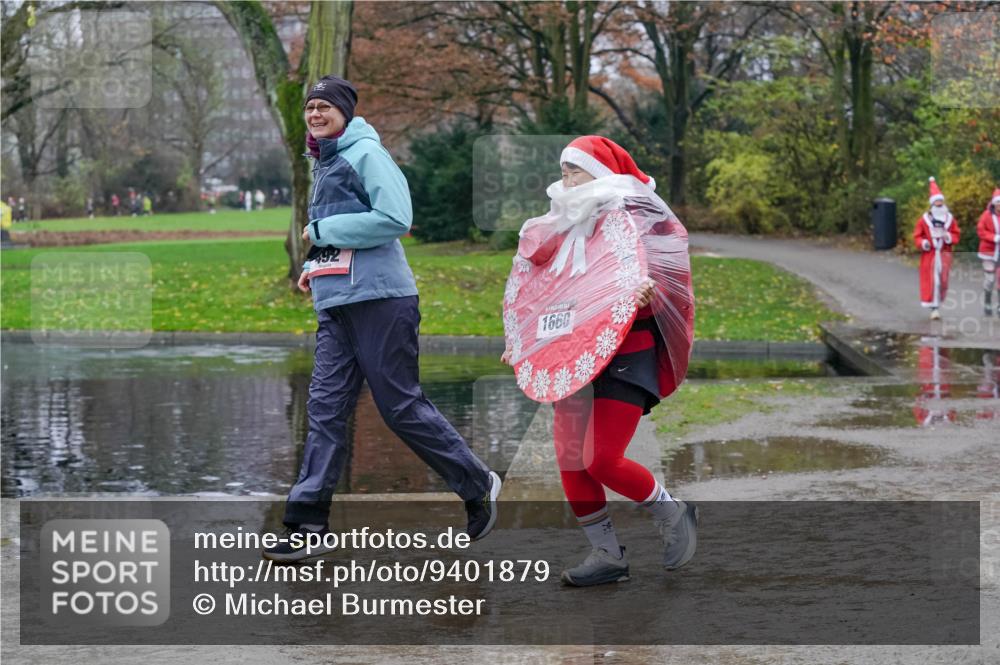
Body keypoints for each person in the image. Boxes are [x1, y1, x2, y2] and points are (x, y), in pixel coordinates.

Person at [262, 75, 500, 562]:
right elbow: (339, 238)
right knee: (324, 412)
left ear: (346, 112)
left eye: (325, 106)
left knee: (399, 407)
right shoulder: (323, 162)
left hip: (382, 301)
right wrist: (314, 268)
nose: (315, 114)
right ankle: (307, 524)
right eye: (310, 107)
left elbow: (395, 217)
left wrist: (320, 229)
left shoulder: (365, 153)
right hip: (338, 305)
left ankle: (477, 484)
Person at [502, 136, 697, 587]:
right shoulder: (559, 226)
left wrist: (645, 296)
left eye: (575, 169)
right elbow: (540, 291)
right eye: (564, 169)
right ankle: (607, 553)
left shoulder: (639, 219)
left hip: (628, 351)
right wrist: (523, 340)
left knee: (601, 459)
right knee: (572, 461)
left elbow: (669, 284)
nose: (565, 177)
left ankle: (673, 512)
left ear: (601, 173)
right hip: (573, 355)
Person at [913, 177, 960, 321]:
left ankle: (938, 302)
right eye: (937, 204)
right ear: (932, 204)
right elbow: (917, 236)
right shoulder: (924, 220)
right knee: (933, 280)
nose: (939, 206)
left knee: (943, 281)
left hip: (944, 254)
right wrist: (924, 243)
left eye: (941, 204)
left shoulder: (950, 219)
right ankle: (934, 308)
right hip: (931, 255)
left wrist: (948, 237)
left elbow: (956, 234)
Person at [976, 188, 1000, 317]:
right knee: (990, 280)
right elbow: (980, 231)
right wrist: (994, 237)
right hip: (989, 252)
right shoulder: (986, 215)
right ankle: (987, 302)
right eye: (998, 202)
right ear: (994, 203)